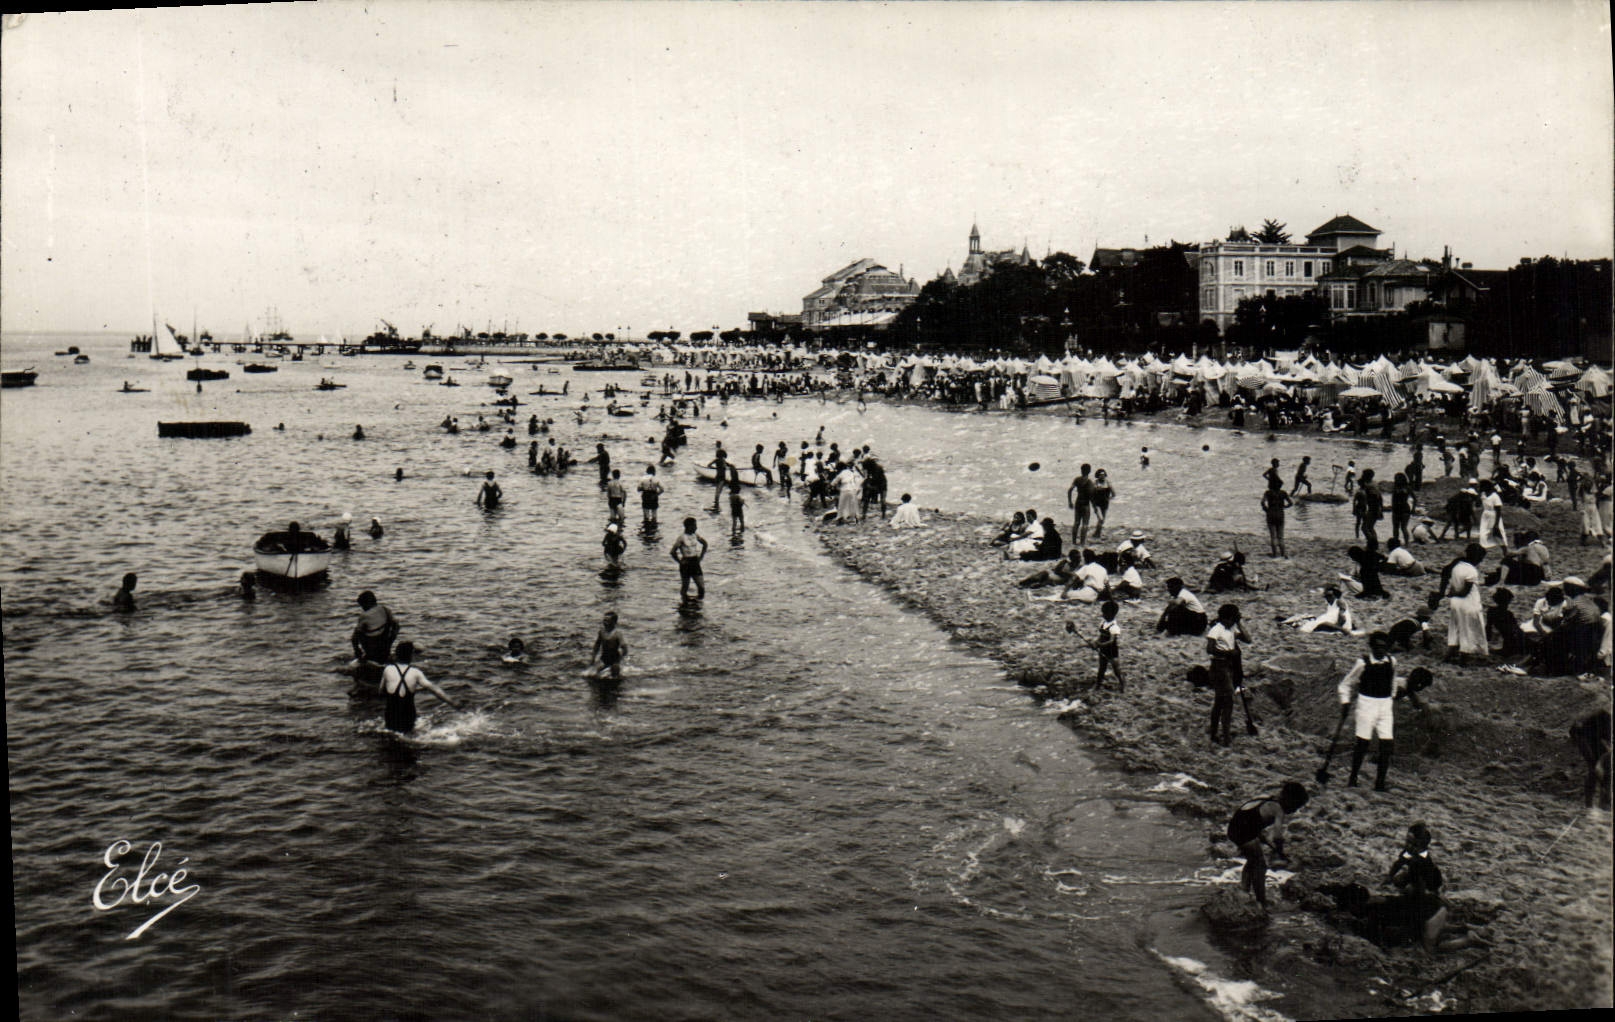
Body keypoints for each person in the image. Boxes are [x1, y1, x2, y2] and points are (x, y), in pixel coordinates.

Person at [1226, 781, 1309, 909]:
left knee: (1252, 860)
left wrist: (1265, 841)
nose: (1294, 811)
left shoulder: (1266, 798)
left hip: (1234, 828)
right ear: (1289, 801)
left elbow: (1250, 818)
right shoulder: (1278, 810)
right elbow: (1277, 836)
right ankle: (1261, 901)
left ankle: (1244, 890)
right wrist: (1279, 851)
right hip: (1243, 833)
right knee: (1260, 865)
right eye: (1295, 807)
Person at [1338, 632, 1404, 790]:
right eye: (1377, 647)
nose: (1381, 650)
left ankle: (1380, 783)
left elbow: (1393, 680)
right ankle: (1353, 778)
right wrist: (1345, 702)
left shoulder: (1392, 661)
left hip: (1385, 706)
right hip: (1366, 705)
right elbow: (1345, 684)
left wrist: (1391, 696)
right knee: (1362, 743)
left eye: (1384, 647)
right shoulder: (1362, 663)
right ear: (1371, 647)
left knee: (1387, 745)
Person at [379, 641, 457, 734]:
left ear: (396, 655)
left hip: (391, 714)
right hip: (408, 714)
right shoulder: (416, 672)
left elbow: (381, 691)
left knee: (391, 735)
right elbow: (434, 690)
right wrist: (453, 702)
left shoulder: (387, 670)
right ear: (410, 656)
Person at [1205, 603, 1251, 746]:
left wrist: (1239, 623)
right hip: (1219, 666)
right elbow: (1210, 649)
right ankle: (1225, 736)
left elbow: (1248, 639)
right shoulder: (1216, 630)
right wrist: (1228, 653)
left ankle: (1214, 733)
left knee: (1219, 701)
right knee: (1228, 700)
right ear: (1226, 618)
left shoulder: (1231, 628)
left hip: (1228, 666)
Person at [1445, 543, 1489, 661]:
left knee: (1456, 629)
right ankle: (1464, 658)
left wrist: (1451, 593)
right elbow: (1464, 592)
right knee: (1469, 630)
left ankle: (1450, 654)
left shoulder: (1456, 567)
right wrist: (1454, 593)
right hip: (1469, 603)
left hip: (1455, 603)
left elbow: (1453, 586)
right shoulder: (1472, 571)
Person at [352, 590, 401, 666]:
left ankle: (363, 660)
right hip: (386, 646)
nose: (362, 608)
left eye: (362, 606)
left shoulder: (364, 616)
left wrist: (357, 650)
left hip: (372, 649)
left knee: (358, 633)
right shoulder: (385, 609)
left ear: (365, 604)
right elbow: (396, 626)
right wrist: (391, 640)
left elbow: (354, 638)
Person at [1285, 584, 1356, 633]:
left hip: (1340, 627)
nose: (1327, 598)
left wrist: (1339, 628)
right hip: (1335, 625)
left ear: (1334, 595)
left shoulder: (1339, 601)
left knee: (1322, 624)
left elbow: (1342, 617)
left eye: (1329, 596)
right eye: (1326, 596)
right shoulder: (1330, 604)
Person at [671, 516, 708, 601]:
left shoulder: (695, 535)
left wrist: (701, 557)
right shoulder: (681, 537)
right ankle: (684, 604)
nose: (696, 527)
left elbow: (705, 544)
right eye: (694, 526)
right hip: (686, 562)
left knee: (701, 587)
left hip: (695, 561)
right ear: (688, 526)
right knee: (685, 586)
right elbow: (673, 552)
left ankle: (699, 604)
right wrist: (680, 562)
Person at [589, 612, 628, 682]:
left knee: (615, 678)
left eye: (607, 621)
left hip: (614, 659)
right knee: (594, 675)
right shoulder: (601, 632)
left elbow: (624, 648)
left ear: (614, 622)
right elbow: (597, 645)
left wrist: (620, 660)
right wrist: (593, 657)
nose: (604, 622)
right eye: (604, 620)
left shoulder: (617, 633)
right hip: (604, 658)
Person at [1261, 479, 1293, 558]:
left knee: (1273, 536)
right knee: (1280, 536)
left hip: (1271, 513)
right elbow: (1291, 503)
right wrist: (1284, 507)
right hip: (1280, 513)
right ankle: (1282, 553)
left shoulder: (1268, 493)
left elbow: (1262, 502)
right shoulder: (1283, 493)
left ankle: (1275, 554)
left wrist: (1266, 509)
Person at [1354, 469, 1384, 547]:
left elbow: (1375, 497)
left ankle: (1371, 542)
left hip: (1373, 507)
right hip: (1375, 507)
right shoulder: (1374, 484)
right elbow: (1380, 497)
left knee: (1365, 528)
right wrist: (1381, 508)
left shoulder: (1369, 486)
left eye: (1363, 474)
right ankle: (1374, 541)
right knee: (1370, 527)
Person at [1067, 464, 1095, 547]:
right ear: (1089, 471)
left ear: (1081, 470)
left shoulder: (1077, 479)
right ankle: (1082, 543)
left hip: (1078, 502)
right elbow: (1091, 496)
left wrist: (1070, 502)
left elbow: (1070, 490)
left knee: (1076, 522)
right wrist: (1095, 507)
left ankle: (1074, 541)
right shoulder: (1089, 482)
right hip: (1085, 504)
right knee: (1085, 524)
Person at [1090, 469, 1114, 540]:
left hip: (1105, 504)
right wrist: (1093, 504)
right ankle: (1097, 534)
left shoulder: (1108, 483)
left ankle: (1097, 533)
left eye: (1103, 475)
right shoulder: (1095, 483)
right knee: (1100, 519)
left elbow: (1113, 494)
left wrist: (1108, 499)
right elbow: (1091, 495)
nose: (1102, 476)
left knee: (1102, 520)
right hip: (1097, 504)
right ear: (1097, 475)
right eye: (1100, 475)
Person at [728, 468, 746, 536]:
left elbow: (731, 504)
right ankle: (742, 533)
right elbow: (740, 503)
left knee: (734, 523)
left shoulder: (731, 496)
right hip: (739, 510)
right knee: (741, 521)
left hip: (733, 510)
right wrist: (743, 502)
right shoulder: (738, 496)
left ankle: (733, 534)